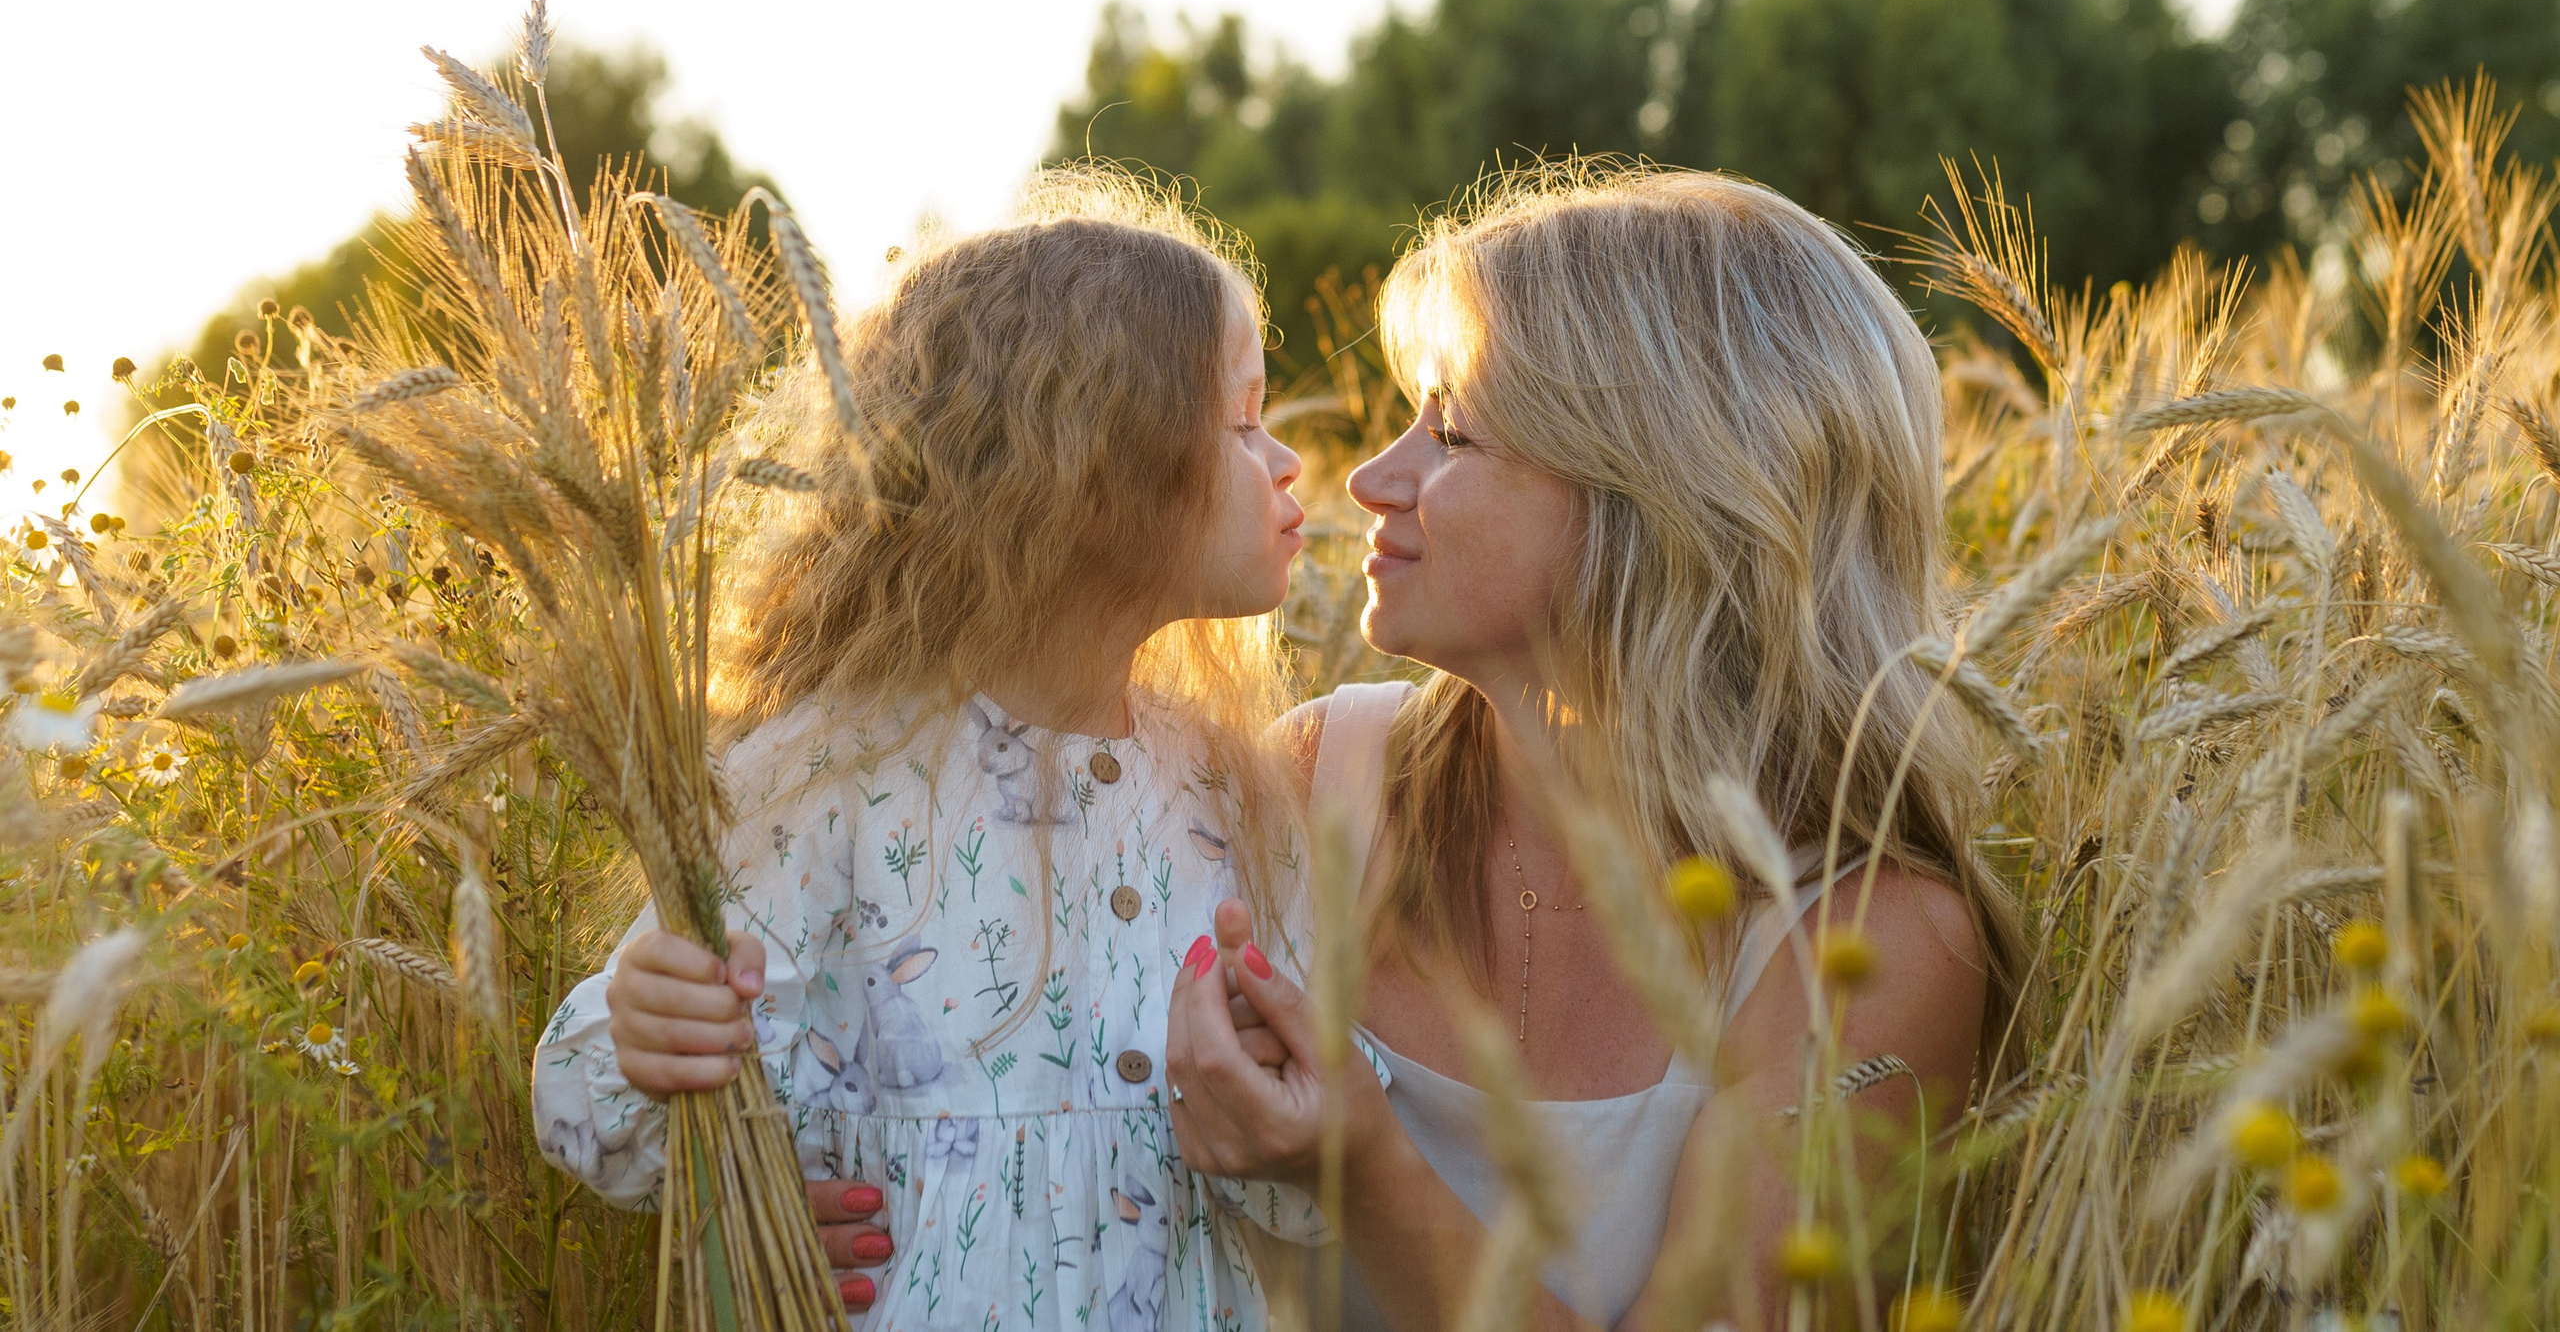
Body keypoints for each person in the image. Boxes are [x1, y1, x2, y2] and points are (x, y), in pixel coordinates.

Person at [1162, 168, 2031, 1329]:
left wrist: (1367, 1172)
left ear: (1666, 497)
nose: (1372, 481)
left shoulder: (1869, 946)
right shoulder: (1314, 786)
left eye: (1454, 431)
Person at [529, 174, 1325, 1326]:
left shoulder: (1226, 789)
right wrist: (642, 1029)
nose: (1287, 462)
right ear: (1091, 472)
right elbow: (597, 1132)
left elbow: (1307, 1190)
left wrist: (1297, 1143)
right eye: (1243, 422)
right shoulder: (824, 781)